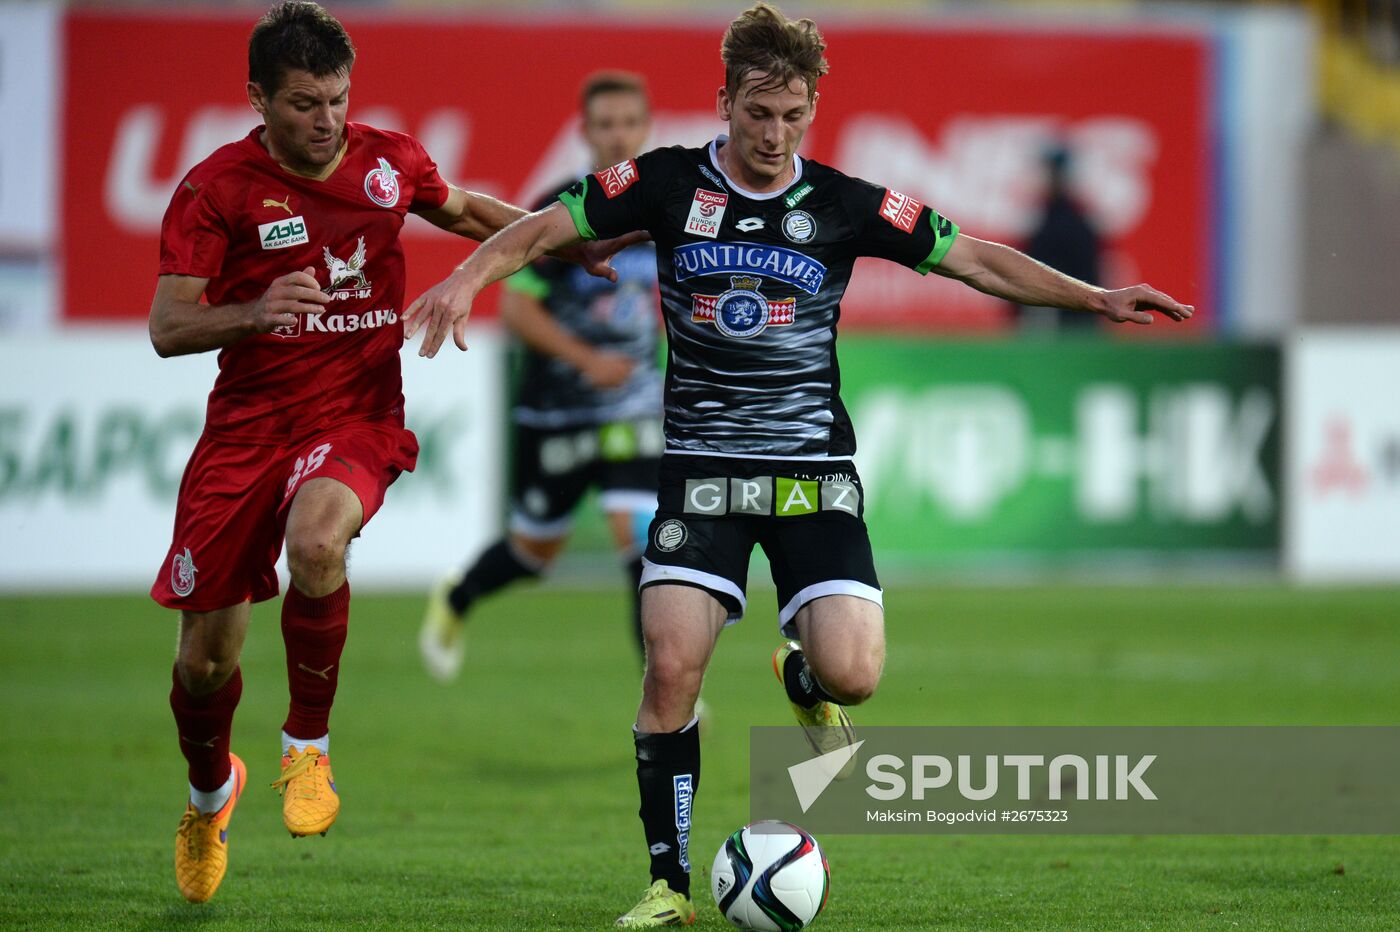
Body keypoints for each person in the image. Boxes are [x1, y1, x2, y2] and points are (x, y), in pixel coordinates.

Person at [403, 4, 1192, 926]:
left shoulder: (847, 205)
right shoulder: (660, 184)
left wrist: (1095, 296)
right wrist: (465, 279)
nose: (774, 137)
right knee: (669, 669)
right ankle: (668, 885)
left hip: (810, 472)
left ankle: (805, 679)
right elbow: (539, 231)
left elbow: (973, 258)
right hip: (700, 468)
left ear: (812, 110)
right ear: (725, 101)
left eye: (792, 117)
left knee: (855, 675)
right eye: (757, 115)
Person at [149, 1, 629, 905]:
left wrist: (562, 243)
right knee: (204, 663)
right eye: (303, 104)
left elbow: (462, 211)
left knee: (320, 542)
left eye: (336, 99)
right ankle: (209, 795)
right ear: (257, 99)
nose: (327, 120)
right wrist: (253, 311)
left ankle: (307, 750)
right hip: (247, 431)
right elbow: (168, 324)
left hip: (357, 413)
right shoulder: (215, 190)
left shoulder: (387, 160)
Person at [419, 71, 662, 682]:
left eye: (627, 123)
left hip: (634, 407)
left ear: (645, 127)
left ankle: (667, 688)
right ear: (585, 132)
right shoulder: (565, 210)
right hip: (556, 411)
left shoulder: (669, 205)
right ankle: (458, 595)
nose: (617, 136)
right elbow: (519, 310)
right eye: (604, 125)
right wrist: (588, 361)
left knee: (644, 543)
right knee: (533, 554)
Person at [1015, 143, 1105, 334]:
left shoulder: (1067, 223)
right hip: (1066, 318)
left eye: (1046, 171)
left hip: (1066, 322)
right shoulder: (1049, 216)